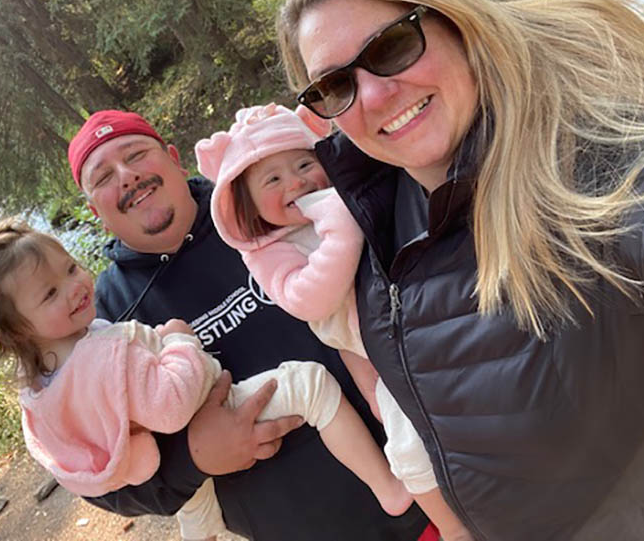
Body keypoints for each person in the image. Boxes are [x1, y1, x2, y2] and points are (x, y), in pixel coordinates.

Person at [276, 0, 644, 541]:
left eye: (391, 47)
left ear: (453, 20)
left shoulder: (589, 158)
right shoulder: (371, 212)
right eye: (334, 85)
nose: (375, 96)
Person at [65, 110, 436, 541]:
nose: (127, 176)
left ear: (174, 158)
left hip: (429, 484)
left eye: (136, 155)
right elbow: (94, 471)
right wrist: (193, 457)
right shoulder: (105, 319)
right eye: (104, 176)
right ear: (94, 209)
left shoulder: (261, 204)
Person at [0, 221, 411, 541]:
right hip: (203, 414)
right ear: (16, 330)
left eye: (71, 269)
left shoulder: (39, 390)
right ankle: (387, 485)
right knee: (310, 384)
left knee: (194, 502)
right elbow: (173, 403)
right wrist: (179, 342)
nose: (75, 287)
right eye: (50, 293)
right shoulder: (99, 349)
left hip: (160, 458)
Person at [195, 101, 473, 541]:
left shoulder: (345, 199)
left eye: (304, 162)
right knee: (408, 449)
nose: (297, 181)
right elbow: (309, 299)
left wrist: (340, 212)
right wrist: (339, 226)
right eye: (273, 179)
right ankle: (455, 529)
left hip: (426, 321)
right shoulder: (271, 251)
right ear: (249, 204)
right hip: (386, 360)